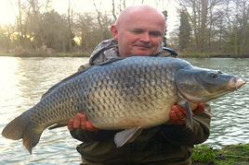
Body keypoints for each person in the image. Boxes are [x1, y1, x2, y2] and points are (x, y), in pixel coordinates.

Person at [68, 5, 211, 165]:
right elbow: (79, 133)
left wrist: (176, 125)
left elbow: (200, 134)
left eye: (155, 33)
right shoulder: (88, 73)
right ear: (115, 32)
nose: (146, 39)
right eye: (137, 31)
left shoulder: (184, 76)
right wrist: (92, 129)